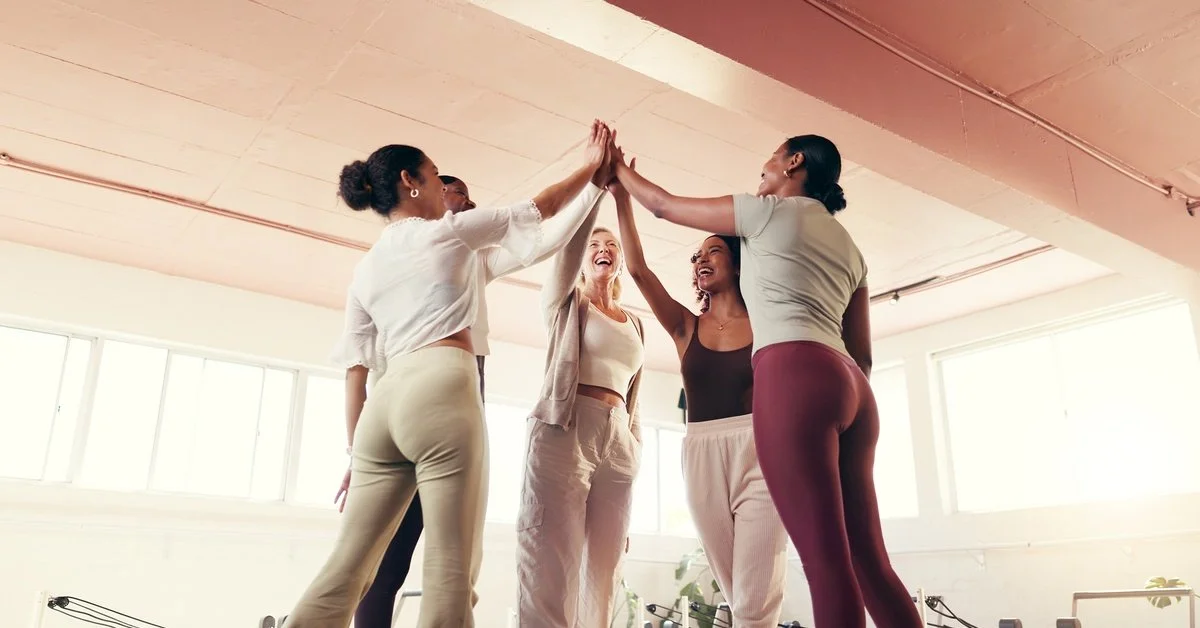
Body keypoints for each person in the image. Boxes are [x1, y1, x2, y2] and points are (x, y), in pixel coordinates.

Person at [286, 121, 613, 628]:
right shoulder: (449, 232)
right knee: (450, 568)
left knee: (345, 570)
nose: (443, 186)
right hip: (441, 387)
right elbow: (539, 209)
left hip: (383, 409)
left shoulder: (366, 269)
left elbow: (356, 371)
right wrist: (592, 166)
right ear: (409, 182)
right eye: (436, 176)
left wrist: (357, 455)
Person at [608, 135, 922, 628]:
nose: (764, 167)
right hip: (853, 388)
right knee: (872, 564)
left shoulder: (766, 212)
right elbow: (861, 354)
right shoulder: (852, 249)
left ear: (793, 162)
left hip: (796, 373)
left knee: (827, 568)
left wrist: (618, 173)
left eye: (773, 156)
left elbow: (663, 205)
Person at [612, 165, 787, 628]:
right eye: (696, 256)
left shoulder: (769, 323)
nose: (700, 260)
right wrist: (620, 195)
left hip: (762, 451)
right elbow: (638, 270)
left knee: (755, 597)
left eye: (713, 250)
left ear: (738, 261)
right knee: (735, 589)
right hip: (702, 453)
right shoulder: (685, 326)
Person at [517, 167, 646, 626]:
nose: (603, 249)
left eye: (610, 245)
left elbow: (634, 397)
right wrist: (595, 193)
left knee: (605, 570)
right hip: (566, 428)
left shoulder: (635, 323)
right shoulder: (565, 302)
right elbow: (567, 253)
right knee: (552, 559)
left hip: (618, 442)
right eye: (595, 244)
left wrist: (632, 445)